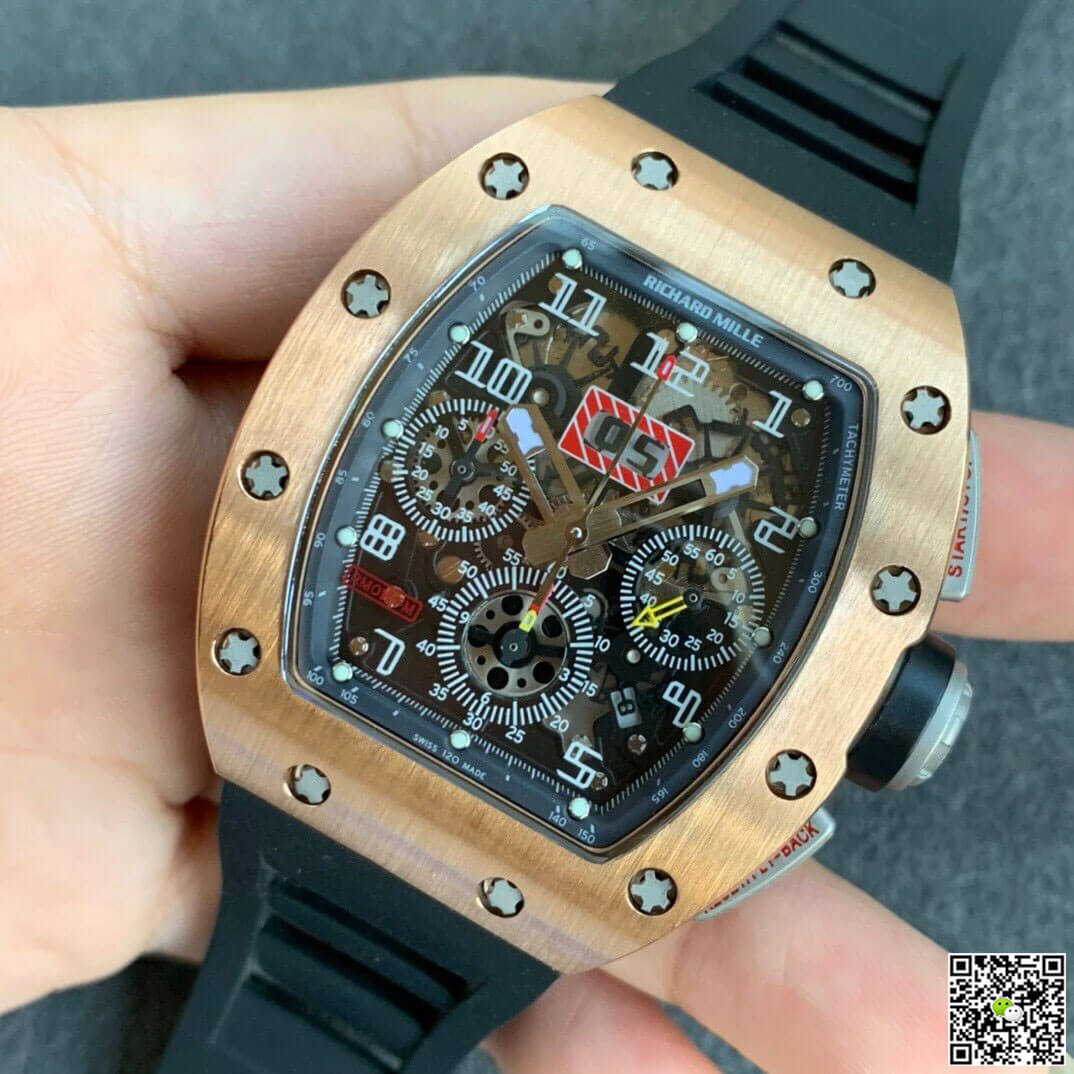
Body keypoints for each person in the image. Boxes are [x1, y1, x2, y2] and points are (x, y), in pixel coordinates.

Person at [1, 77, 1070, 1074]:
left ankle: (1042, 1032)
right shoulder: (555, 187)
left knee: (993, 1035)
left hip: (516, 828)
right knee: (918, 1023)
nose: (573, 546)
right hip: (312, 731)